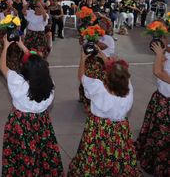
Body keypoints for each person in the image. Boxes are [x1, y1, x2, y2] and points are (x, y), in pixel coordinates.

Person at [68, 49, 141, 176]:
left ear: (106, 79)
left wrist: (83, 59)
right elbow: (120, 75)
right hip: (119, 128)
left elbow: (82, 77)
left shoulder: (98, 88)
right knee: (118, 152)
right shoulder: (128, 89)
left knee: (94, 152)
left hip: (98, 128)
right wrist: (105, 57)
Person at [0, 36, 63, 176]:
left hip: (20, 123)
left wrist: (6, 46)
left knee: (21, 151)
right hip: (41, 122)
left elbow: (2, 66)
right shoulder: (49, 84)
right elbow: (37, 64)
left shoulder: (18, 84)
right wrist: (23, 46)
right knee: (42, 150)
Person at [135, 42, 170, 176]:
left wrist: (159, 54)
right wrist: (162, 54)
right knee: (156, 132)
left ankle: (159, 164)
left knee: (162, 135)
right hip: (161, 98)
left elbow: (158, 71)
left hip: (166, 104)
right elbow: (162, 63)